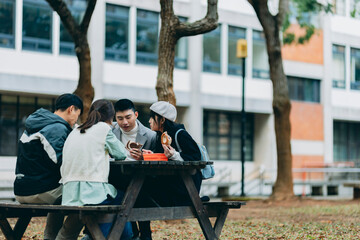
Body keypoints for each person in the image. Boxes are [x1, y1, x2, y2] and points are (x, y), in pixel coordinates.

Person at [56, 99, 133, 240]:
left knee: (114, 199)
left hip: (70, 192)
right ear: (111, 116)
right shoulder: (104, 128)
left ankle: (98, 236)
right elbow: (121, 154)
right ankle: (106, 237)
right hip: (91, 191)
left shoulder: (75, 130)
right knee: (124, 198)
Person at [14, 93, 83, 240]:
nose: (77, 119)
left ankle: (49, 238)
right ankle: (63, 238)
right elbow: (63, 164)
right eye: (78, 113)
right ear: (71, 109)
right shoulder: (57, 128)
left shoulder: (36, 124)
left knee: (62, 194)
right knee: (85, 197)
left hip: (21, 190)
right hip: (40, 191)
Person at [138, 101, 202, 240]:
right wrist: (151, 154)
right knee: (136, 194)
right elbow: (164, 159)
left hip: (185, 190)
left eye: (152, 117)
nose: (149, 121)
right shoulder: (160, 136)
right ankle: (143, 236)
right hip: (170, 187)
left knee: (138, 193)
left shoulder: (180, 134)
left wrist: (175, 155)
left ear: (162, 119)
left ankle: (144, 236)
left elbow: (196, 158)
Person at [111, 99, 157, 239]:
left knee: (138, 191)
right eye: (119, 118)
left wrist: (144, 158)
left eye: (128, 117)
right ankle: (133, 233)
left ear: (136, 115)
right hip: (115, 178)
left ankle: (144, 233)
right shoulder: (110, 131)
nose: (124, 122)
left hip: (141, 179)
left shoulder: (150, 136)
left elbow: (156, 163)